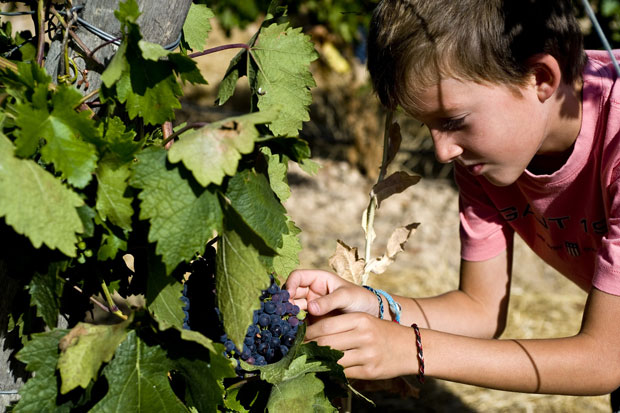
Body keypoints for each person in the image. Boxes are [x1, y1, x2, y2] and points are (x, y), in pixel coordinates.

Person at [285, 0, 620, 406]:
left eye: (454, 121)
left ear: (540, 77)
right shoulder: (487, 155)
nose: (442, 151)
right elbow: (479, 310)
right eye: (427, 126)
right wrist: (375, 308)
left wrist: (409, 349)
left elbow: (605, 359)